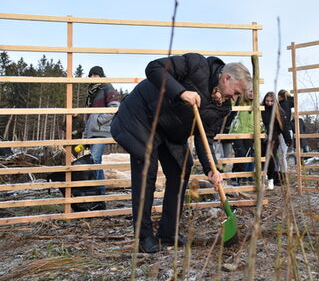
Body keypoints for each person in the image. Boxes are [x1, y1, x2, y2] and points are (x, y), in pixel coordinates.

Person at [111, 53, 251, 253]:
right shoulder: (196, 65)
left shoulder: (223, 107)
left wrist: (211, 169)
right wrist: (181, 92)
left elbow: (206, 138)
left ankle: (168, 234)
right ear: (226, 78)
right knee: (147, 168)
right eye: (236, 93)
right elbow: (154, 68)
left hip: (169, 129)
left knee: (182, 168)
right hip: (141, 116)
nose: (235, 98)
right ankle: (144, 238)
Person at [84, 66, 120, 194]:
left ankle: (100, 194)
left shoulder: (106, 87)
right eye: (91, 75)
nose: (93, 77)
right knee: (95, 161)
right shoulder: (91, 92)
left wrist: (100, 120)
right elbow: (89, 115)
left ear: (101, 76)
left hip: (101, 131)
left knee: (94, 160)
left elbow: (115, 106)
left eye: (96, 75)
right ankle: (99, 193)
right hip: (92, 132)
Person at [261, 92, 292, 189]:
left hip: (273, 137)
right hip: (261, 136)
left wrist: (287, 138)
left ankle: (271, 179)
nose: (269, 103)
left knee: (270, 158)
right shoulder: (261, 109)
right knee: (261, 158)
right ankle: (263, 178)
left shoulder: (278, 111)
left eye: (271, 101)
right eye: (267, 101)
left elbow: (284, 126)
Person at [229, 90, 259, 186]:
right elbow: (229, 104)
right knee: (240, 154)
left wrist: (261, 130)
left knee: (246, 155)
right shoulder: (239, 100)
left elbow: (259, 118)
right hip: (237, 132)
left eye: (253, 91)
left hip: (250, 133)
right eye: (249, 91)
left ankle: (241, 177)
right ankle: (234, 176)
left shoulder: (256, 104)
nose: (251, 93)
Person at [277, 89, 294, 169]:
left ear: (280, 96)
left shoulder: (283, 105)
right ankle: (282, 174)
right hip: (287, 130)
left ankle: (283, 174)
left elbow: (283, 120)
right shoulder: (287, 104)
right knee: (282, 154)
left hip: (284, 130)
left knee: (281, 155)